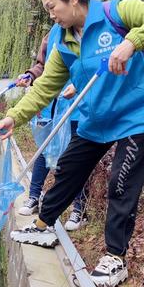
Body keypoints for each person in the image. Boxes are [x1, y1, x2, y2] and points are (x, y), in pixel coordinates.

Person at [0, 0, 144, 287]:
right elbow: (44, 88)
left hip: (137, 114)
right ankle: (43, 225)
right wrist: (13, 117)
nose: (51, 16)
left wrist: (131, 42)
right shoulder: (63, 40)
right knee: (69, 168)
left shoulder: (115, 12)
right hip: (98, 117)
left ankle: (115, 260)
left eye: (52, 8)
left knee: (121, 183)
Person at [16, 24, 89, 231]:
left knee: (76, 158)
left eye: (54, 6)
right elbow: (43, 65)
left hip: (77, 107)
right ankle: (33, 198)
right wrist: (30, 75)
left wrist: (77, 86)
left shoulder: (89, 30)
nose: (52, 14)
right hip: (51, 107)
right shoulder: (54, 33)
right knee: (43, 151)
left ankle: (79, 208)